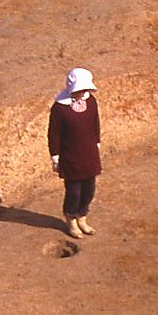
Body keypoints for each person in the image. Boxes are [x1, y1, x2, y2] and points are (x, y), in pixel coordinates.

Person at [47, 67, 102, 240]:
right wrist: (55, 157)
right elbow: (54, 134)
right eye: (80, 89)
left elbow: (95, 123)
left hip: (89, 153)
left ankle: (82, 216)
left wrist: (97, 143)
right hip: (71, 156)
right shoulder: (60, 109)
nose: (83, 92)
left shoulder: (91, 102)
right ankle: (71, 218)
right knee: (74, 191)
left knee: (89, 189)